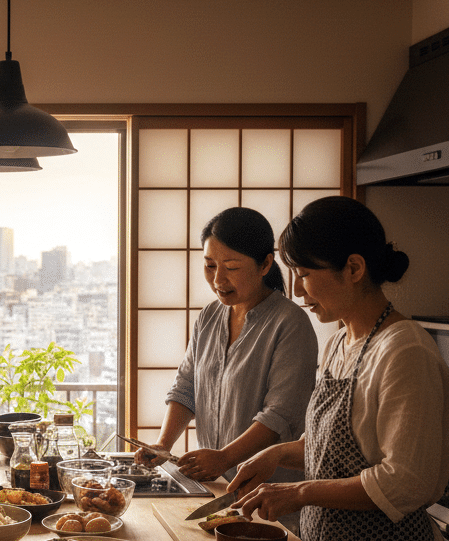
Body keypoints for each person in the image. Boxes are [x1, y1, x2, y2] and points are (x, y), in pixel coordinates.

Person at [228, 196, 449, 541]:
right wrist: (274, 454)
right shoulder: (339, 344)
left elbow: (404, 479)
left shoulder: (404, 351)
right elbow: (331, 445)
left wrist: (299, 492)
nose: (296, 291)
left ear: (353, 268)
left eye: (306, 275)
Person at [136, 206, 318, 489]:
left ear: (265, 265)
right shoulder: (209, 316)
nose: (218, 279)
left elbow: (280, 414)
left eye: (231, 267)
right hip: (216, 485)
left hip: (269, 490)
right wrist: (162, 444)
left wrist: (224, 458)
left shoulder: (290, 323)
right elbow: (186, 388)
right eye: (210, 266)